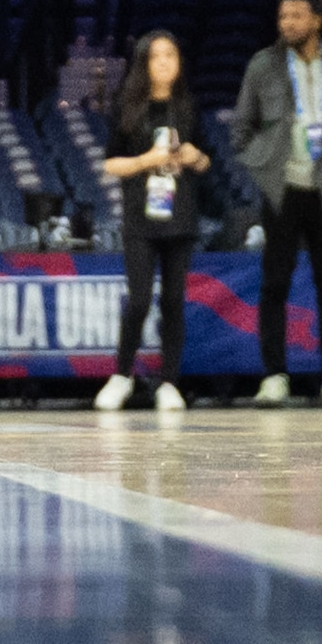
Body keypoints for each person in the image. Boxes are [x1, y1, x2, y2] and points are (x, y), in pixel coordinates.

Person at [230, 0, 322, 407]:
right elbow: (241, 131)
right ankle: (274, 375)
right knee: (275, 284)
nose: (287, 23)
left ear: (316, 20)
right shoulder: (262, 65)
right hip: (283, 190)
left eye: (296, 15)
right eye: (282, 16)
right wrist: (267, 166)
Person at [96, 29, 211, 413]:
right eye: (156, 56)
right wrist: (148, 160)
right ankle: (122, 374)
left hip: (180, 216)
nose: (164, 62)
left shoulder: (189, 106)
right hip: (141, 217)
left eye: (171, 56)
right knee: (140, 299)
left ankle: (169, 382)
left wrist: (194, 157)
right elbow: (111, 163)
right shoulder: (128, 107)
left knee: (175, 301)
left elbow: (207, 160)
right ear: (144, 64)